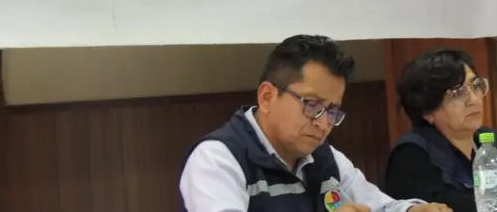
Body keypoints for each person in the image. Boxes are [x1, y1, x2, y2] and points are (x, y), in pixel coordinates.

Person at [179, 34, 452, 212]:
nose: (323, 124)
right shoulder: (217, 159)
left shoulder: (323, 157)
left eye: (332, 110)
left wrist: (413, 210)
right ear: (267, 97)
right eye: (312, 105)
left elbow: (379, 206)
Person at [383, 49, 497, 212]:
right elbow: (449, 207)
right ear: (427, 110)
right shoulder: (411, 154)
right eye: (457, 93)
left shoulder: (494, 142)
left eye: (475, 86)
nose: (473, 99)